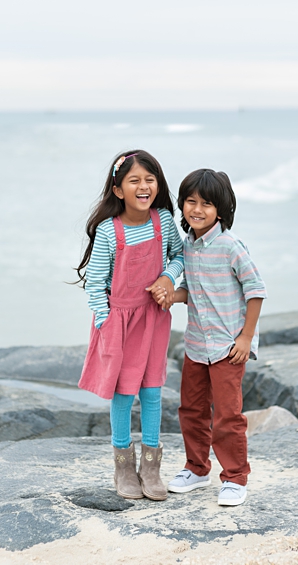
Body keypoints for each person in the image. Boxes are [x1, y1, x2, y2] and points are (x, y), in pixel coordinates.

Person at [76, 150, 184, 501]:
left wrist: (168, 278)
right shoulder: (110, 231)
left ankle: (150, 466)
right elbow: (94, 284)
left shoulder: (163, 221)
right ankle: (123, 465)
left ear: (158, 185)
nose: (143, 187)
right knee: (123, 394)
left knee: (152, 391)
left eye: (149, 180)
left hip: (153, 318)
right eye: (134, 181)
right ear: (118, 190)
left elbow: (179, 255)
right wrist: (106, 321)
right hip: (119, 322)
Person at [167, 169, 265, 507]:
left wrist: (245, 338)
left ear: (220, 210)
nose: (196, 209)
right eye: (190, 202)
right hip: (195, 345)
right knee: (191, 409)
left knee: (227, 415)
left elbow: (256, 291)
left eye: (205, 204)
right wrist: (171, 296)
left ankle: (236, 477)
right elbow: (193, 291)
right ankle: (196, 468)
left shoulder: (230, 246)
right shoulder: (188, 246)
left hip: (228, 347)